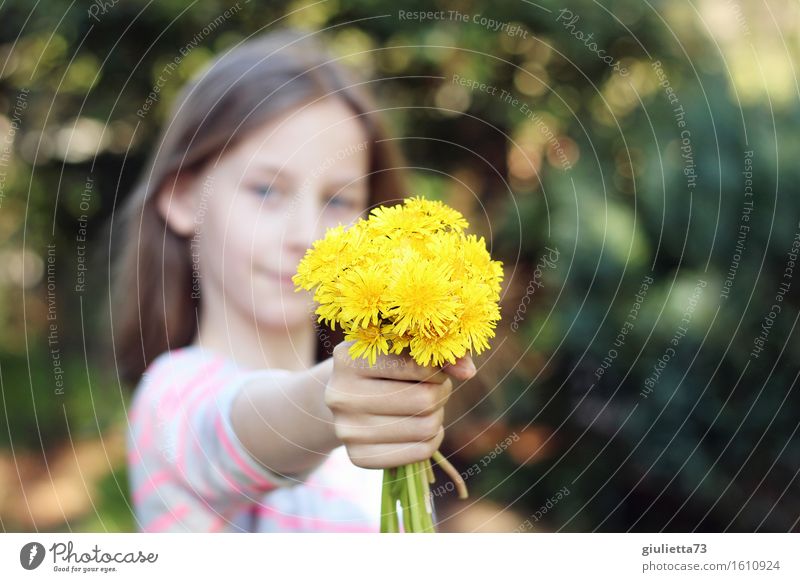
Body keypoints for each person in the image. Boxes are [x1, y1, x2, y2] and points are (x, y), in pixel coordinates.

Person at [113, 29, 476, 532]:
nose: (307, 235)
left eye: (338, 201)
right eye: (266, 190)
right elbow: (236, 430)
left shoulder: (378, 435)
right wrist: (333, 398)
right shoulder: (168, 402)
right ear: (180, 198)